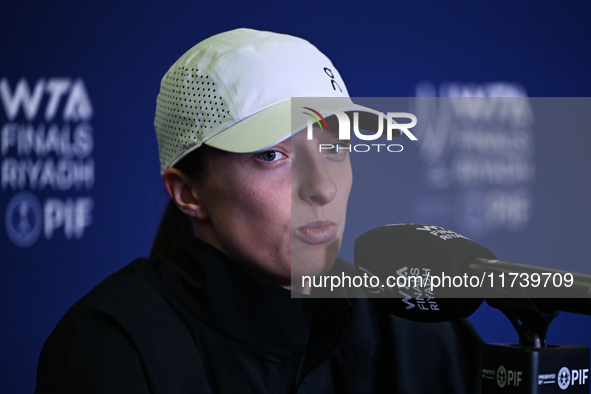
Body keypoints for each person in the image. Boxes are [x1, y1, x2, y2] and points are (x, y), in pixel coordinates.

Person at [35, 28, 482, 393]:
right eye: (271, 155)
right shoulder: (112, 345)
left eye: (335, 147)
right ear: (188, 192)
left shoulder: (422, 335)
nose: (323, 187)